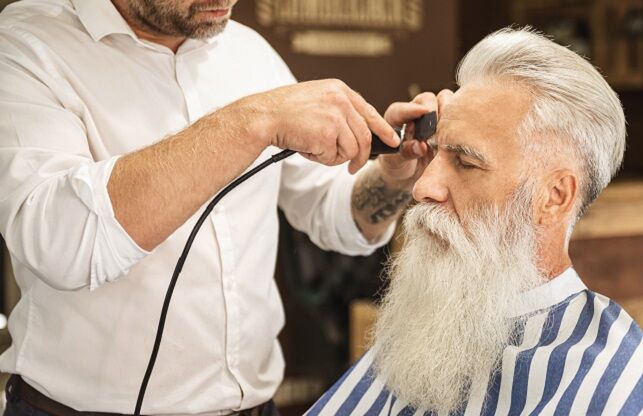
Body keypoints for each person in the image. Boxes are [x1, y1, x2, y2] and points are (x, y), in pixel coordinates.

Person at [0, 0, 438, 414]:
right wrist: (251, 122)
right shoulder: (29, 45)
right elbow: (63, 243)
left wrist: (392, 179)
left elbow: (334, 213)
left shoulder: (248, 51)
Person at [307, 27, 643, 415]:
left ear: (554, 198)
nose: (422, 188)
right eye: (434, 155)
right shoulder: (418, 336)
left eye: (466, 162)